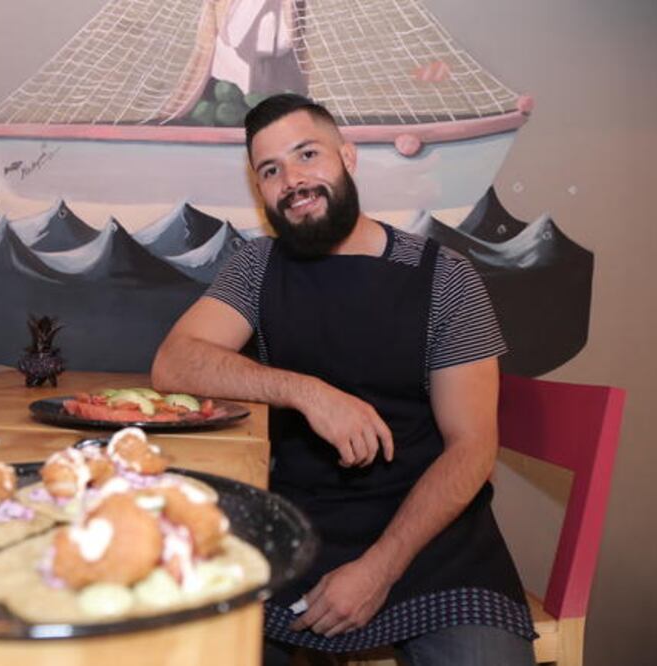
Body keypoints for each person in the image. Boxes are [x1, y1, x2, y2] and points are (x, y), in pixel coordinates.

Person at [151, 94, 536, 665]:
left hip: (432, 539)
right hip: (298, 529)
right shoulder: (258, 266)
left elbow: (473, 447)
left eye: (308, 154)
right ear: (260, 190)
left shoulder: (444, 277)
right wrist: (309, 393)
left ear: (348, 157)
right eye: (271, 170)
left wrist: (379, 569)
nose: (294, 180)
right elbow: (174, 363)